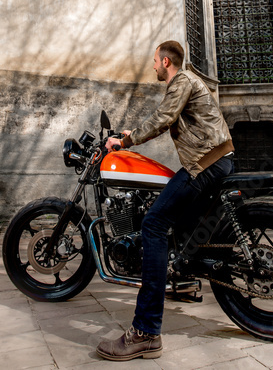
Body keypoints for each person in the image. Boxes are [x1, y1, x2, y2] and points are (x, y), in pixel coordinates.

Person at [96, 41, 234, 361]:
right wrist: (132, 132)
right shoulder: (189, 84)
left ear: (167, 61)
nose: (154, 66)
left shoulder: (182, 81)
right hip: (216, 159)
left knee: (154, 224)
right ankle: (183, 281)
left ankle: (145, 331)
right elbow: (169, 118)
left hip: (204, 163)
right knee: (177, 223)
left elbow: (164, 117)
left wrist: (126, 141)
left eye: (156, 61)